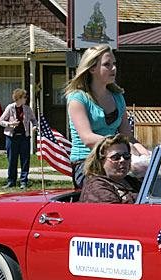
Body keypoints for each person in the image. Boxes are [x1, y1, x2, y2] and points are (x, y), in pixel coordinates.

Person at [64, 44, 148, 188]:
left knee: (148, 189)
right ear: (92, 68)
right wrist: (124, 146)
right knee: (109, 194)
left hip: (116, 162)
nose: (113, 68)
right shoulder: (78, 99)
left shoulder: (118, 97)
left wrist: (147, 155)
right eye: (107, 65)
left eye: (114, 64)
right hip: (87, 164)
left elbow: (128, 137)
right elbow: (88, 138)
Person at [79, 134, 141, 204]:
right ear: (100, 161)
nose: (122, 160)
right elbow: (113, 213)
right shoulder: (97, 187)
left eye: (126, 155)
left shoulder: (132, 182)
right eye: (115, 157)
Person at [0, 89, 36, 188]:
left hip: (24, 137)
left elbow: (34, 120)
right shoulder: (10, 108)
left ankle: (24, 180)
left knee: (25, 160)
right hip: (12, 137)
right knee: (12, 160)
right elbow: (1, 121)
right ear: (18, 98)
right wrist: (10, 124)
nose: (26, 99)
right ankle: (11, 181)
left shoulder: (27, 109)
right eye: (24, 97)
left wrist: (35, 126)